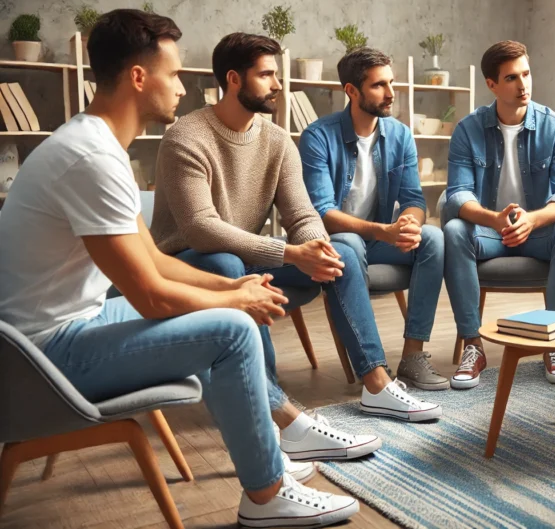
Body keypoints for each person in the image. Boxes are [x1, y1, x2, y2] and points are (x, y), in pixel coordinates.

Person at [0, 9, 360, 527]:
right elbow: (151, 296)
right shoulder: (92, 159)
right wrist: (237, 301)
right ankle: (265, 496)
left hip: (54, 335)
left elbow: (150, 256)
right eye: (172, 75)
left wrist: (230, 282)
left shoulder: (94, 145)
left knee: (217, 317)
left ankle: (270, 452)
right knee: (232, 330)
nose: (182, 88)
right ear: (138, 77)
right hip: (37, 360)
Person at [150, 33, 442, 425]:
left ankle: (375, 382)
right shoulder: (186, 136)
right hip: (188, 266)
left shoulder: (276, 140)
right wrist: (290, 253)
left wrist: (316, 249)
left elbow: (303, 216)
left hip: (250, 258)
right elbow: (201, 228)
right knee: (226, 263)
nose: (278, 85)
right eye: (267, 75)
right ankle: (267, 402)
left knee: (340, 252)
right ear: (234, 79)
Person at [299, 48, 446, 391]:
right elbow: (323, 214)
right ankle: (373, 368)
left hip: (379, 240)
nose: (391, 93)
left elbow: (413, 200)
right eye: (379, 85)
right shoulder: (317, 137)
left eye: (391, 83)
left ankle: (412, 357)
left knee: (434, 238)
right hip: (338, 241)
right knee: (348, 243)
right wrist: (385, 231)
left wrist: (409, 223)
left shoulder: (400, 135)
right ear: (351, 91)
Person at [443, 40, 555, 389]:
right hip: (490, 233)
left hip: (537, 233)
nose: (523, 85)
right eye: (511, 78)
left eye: (526, 74)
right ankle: (473, 345)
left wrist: (532, 220)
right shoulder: (468, 129)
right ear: (491, 84)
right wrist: (493, 219)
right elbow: (457, 194)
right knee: (453, 230)